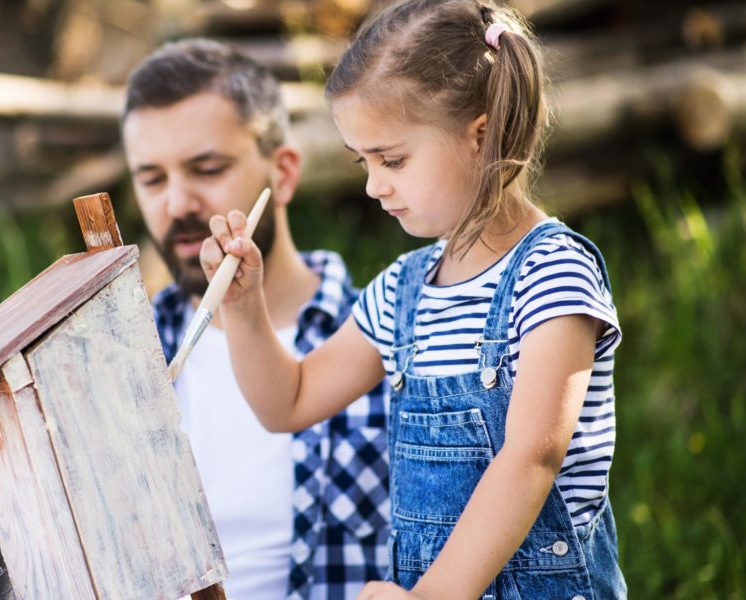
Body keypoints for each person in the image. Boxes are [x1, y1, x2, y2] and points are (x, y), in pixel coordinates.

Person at [198, 1, 627, 598]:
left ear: (480, 135)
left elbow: (531, 458)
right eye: (363, 162)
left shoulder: (552, 273)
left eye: (392, 159)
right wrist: (244, 307)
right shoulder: (402, 291)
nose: (374, 185)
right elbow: (288, 402)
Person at [120, 40, 391, 600]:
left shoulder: (387, 334)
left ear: (284, 173)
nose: (176, 203)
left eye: (208, 168)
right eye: (151, 178)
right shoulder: (119, 354)